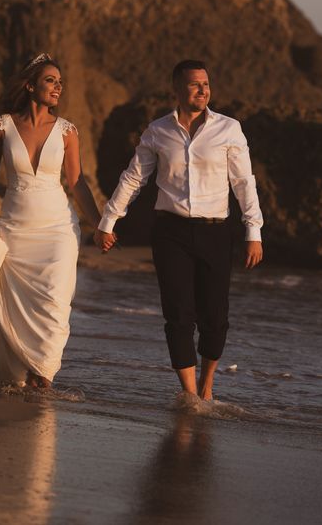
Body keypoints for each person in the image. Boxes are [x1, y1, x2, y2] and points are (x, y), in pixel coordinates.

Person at [94, 59, 264, 400]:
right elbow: (134, 178)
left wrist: (253, 232)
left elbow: (244, 182)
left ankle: (207, 385)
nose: (203, 90)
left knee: (215, 317)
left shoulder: (229, 128)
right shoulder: (158, 131)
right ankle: (189, 394)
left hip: (216, 231)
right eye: (194, 84)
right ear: (177, 89)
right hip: (170, 232)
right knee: (178, 314)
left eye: (206, 84)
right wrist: (108, 221)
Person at [0, 53, 103, 390]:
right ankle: (22, 370)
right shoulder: (1, 125)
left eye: (60, 82)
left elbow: (77, 183)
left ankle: (43, 374)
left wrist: (100, 224)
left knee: (54, 303)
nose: (58, 87)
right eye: (51, 80)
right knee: (15, 305)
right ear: (31, 85)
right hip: (16, 226)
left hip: (59, 229)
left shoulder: (67, 131)